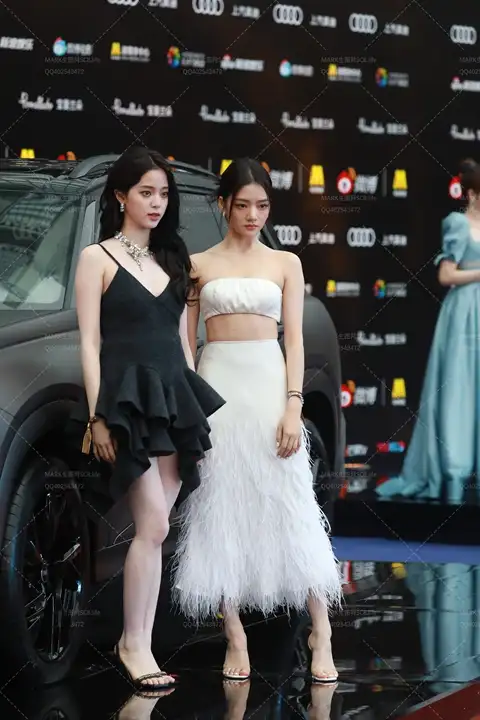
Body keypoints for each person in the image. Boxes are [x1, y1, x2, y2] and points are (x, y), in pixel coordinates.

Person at [172, 158, 342, 683]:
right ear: (223, 204)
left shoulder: (286, 262)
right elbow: (185, 342)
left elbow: (295, 341)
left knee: (291, 503)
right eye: (242, 205)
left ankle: (322, 630)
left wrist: (293, 405)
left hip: (270, 389)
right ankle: (234, 633)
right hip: (217, 390)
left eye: (262, 206)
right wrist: (192, 401)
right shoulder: (197, 264)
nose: (252, 215)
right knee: (217, 503)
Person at [73, 146, 225, 691]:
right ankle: (133, 644)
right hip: (126, 404)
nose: (156, 202)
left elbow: (183, 345)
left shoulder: (174, 260)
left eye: (163, 193)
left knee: (155, 530)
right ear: (121, 196)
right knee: (155, 524)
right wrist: (97, 417)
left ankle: (139, 641)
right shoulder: (96, 258)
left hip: (175, 401)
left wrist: (193, 403)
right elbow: (89, 344)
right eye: (145, 192)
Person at [376, 158, 480, 504]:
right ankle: (454, 469)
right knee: (458, 388)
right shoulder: (458, 224)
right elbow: (446, 275)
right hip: (463, 314)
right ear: (472, 194)